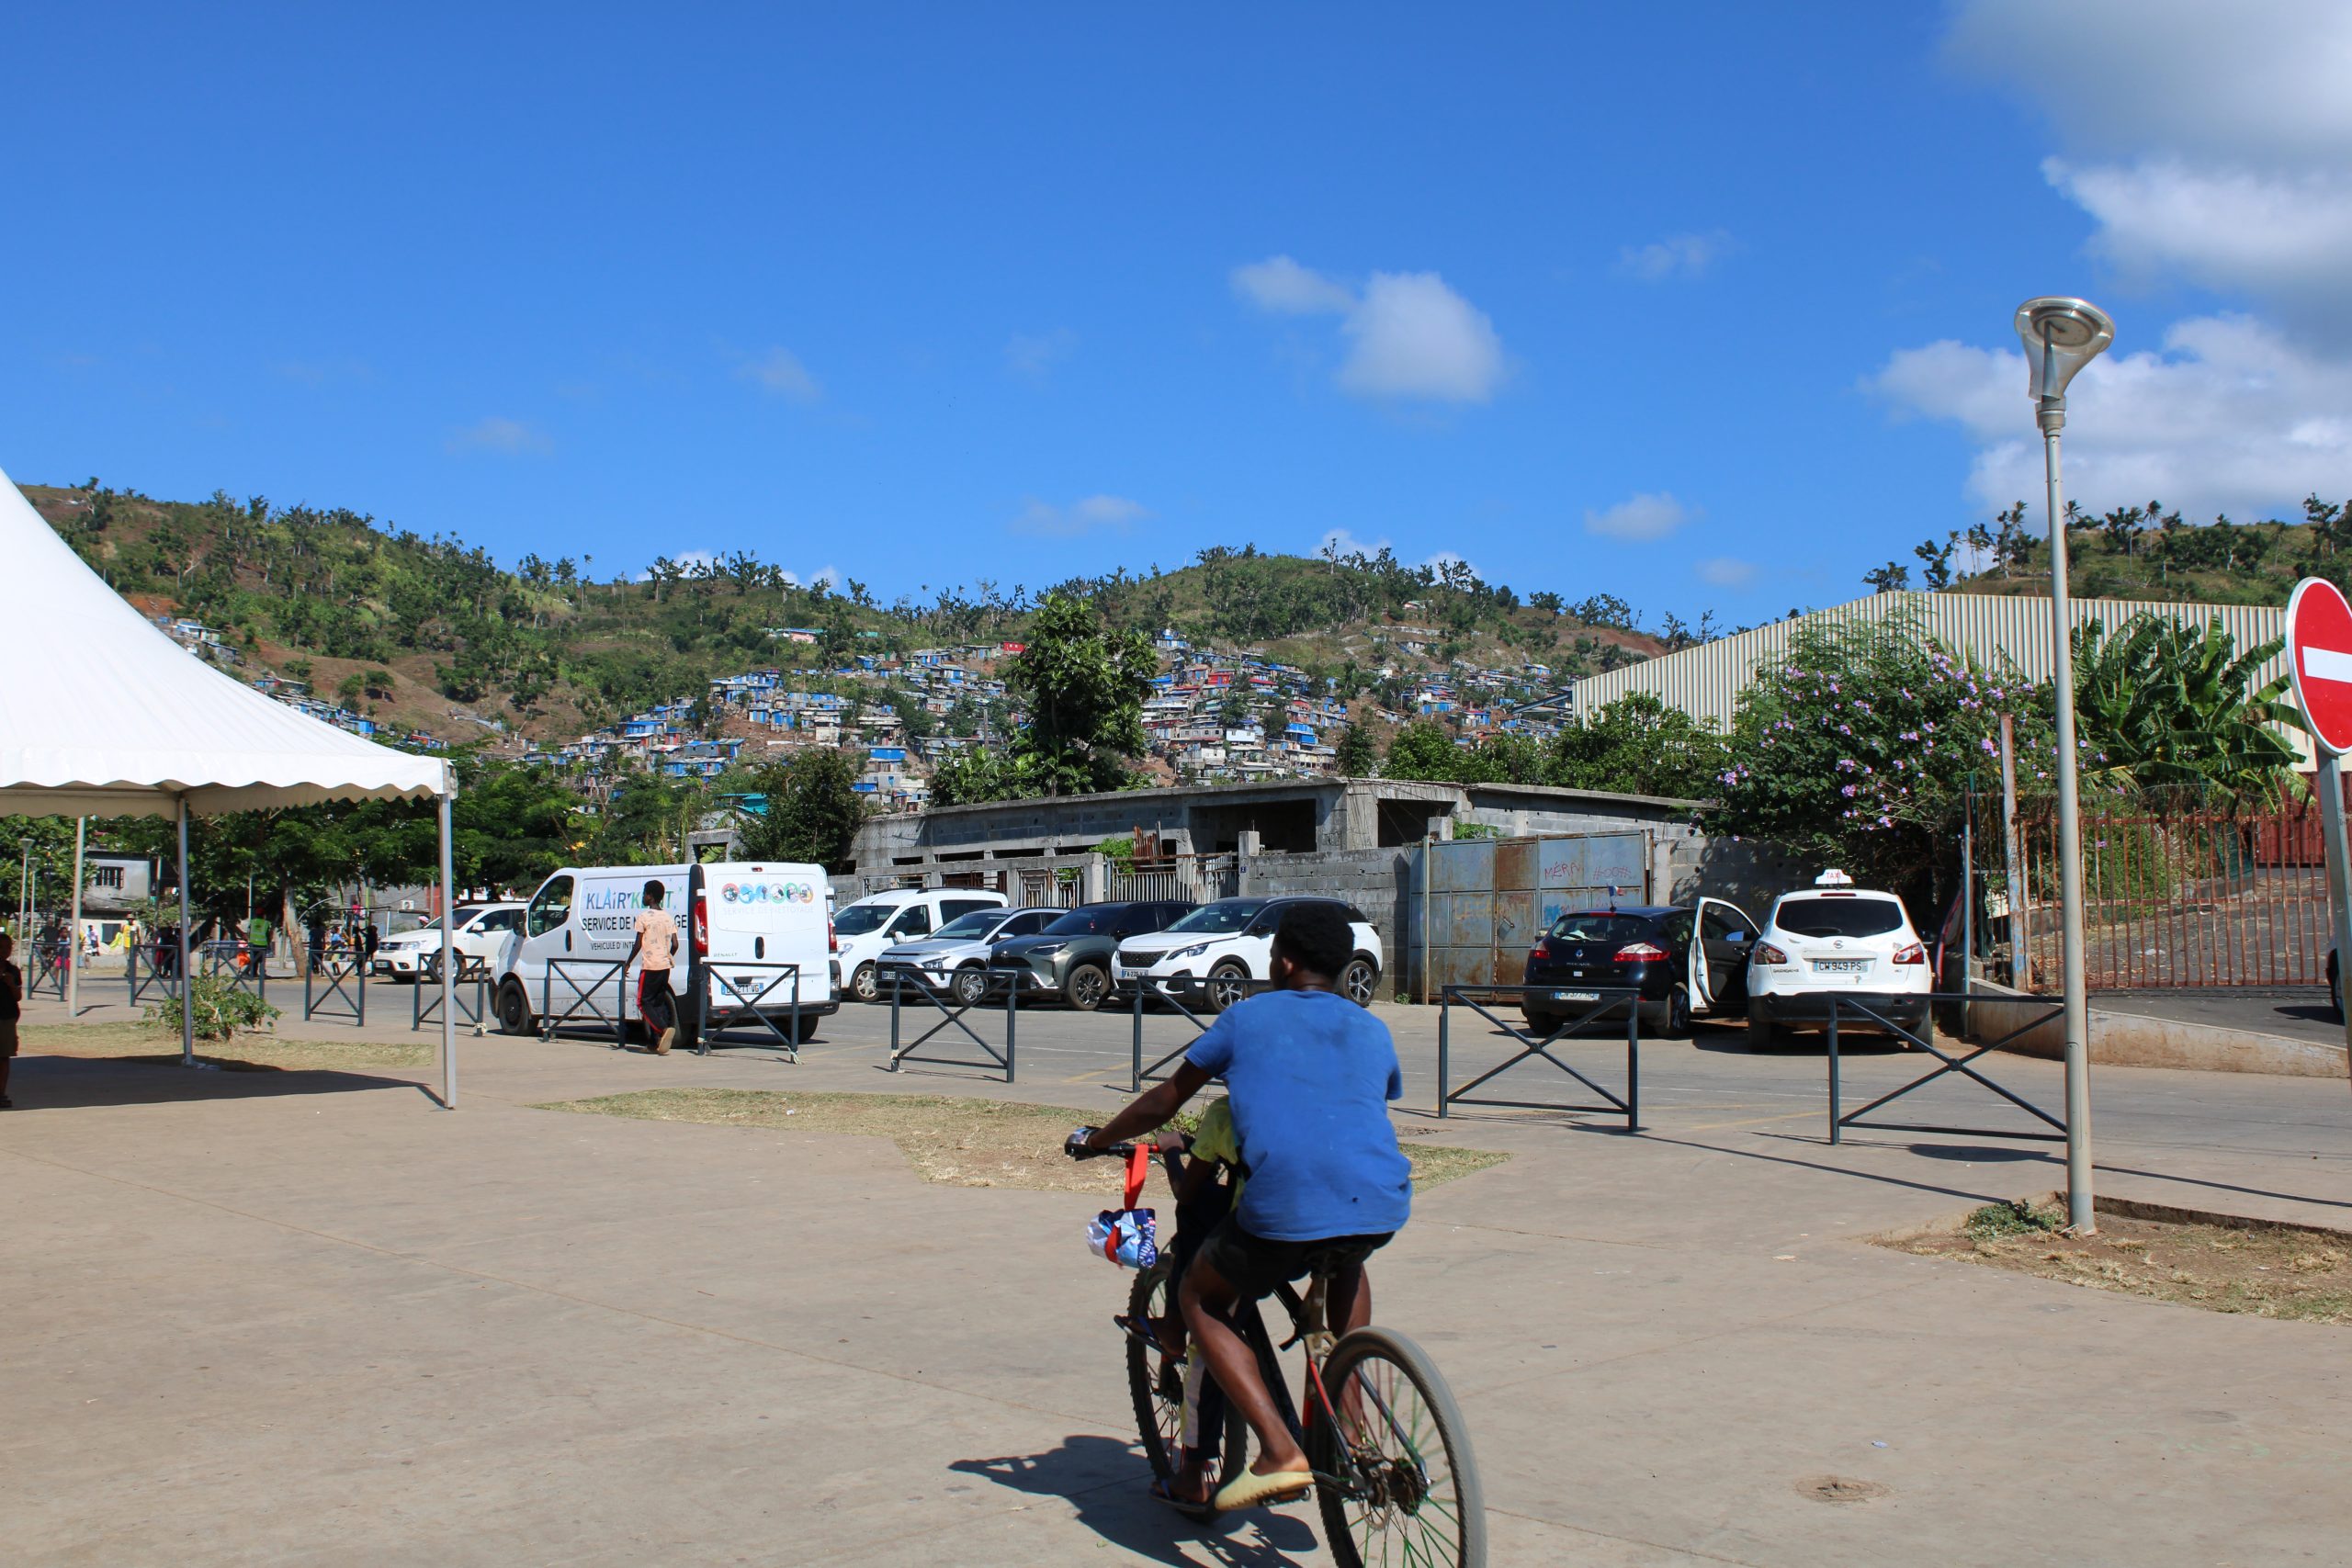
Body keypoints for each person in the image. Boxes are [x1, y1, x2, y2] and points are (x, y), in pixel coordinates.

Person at [1072, 903, 1411, 1515]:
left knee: (1199, 1296)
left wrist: (1098, 1138)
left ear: (1283, 960)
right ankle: (1351, 1414)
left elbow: (1164, 1100)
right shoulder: (1372, 1028)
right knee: (1347, 1259)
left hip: (1284, 1203)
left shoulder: (1246, 1017)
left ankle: (1281, 1450)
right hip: (1381, 1200)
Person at [624, 880, 681, 1055]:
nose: (643, 897)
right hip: (665, 966)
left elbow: (637, 944)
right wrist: (667, 955)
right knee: (656, 1004)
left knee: (642, 1002)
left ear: (650, 896)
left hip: (650, 967)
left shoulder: (644, 917)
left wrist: (628, 963)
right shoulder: (667, 917)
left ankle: (663, 1029)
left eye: (644, 893)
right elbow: (676, 944)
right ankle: (654, 1043)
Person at [0, 931, 20, 1109]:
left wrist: (11, 984)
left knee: (4, 1056)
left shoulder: (12, 971)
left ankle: (1, 1093)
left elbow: (18, 996)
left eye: (8, 948)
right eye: (1, 948)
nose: (5, 951)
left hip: (6, 1017)